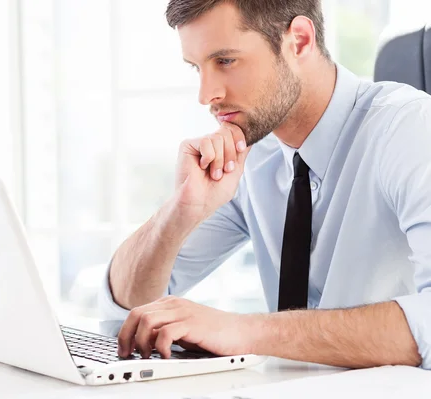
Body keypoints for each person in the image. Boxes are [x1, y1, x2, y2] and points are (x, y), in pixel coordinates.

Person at [99, 0, 431, 369]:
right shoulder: (252, 157)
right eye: (197, 68)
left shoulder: (409, 129)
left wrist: (242, 332)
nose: (206, 95)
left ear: (299, 41)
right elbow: (123, 308)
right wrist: (179, 212)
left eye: (225, 61)